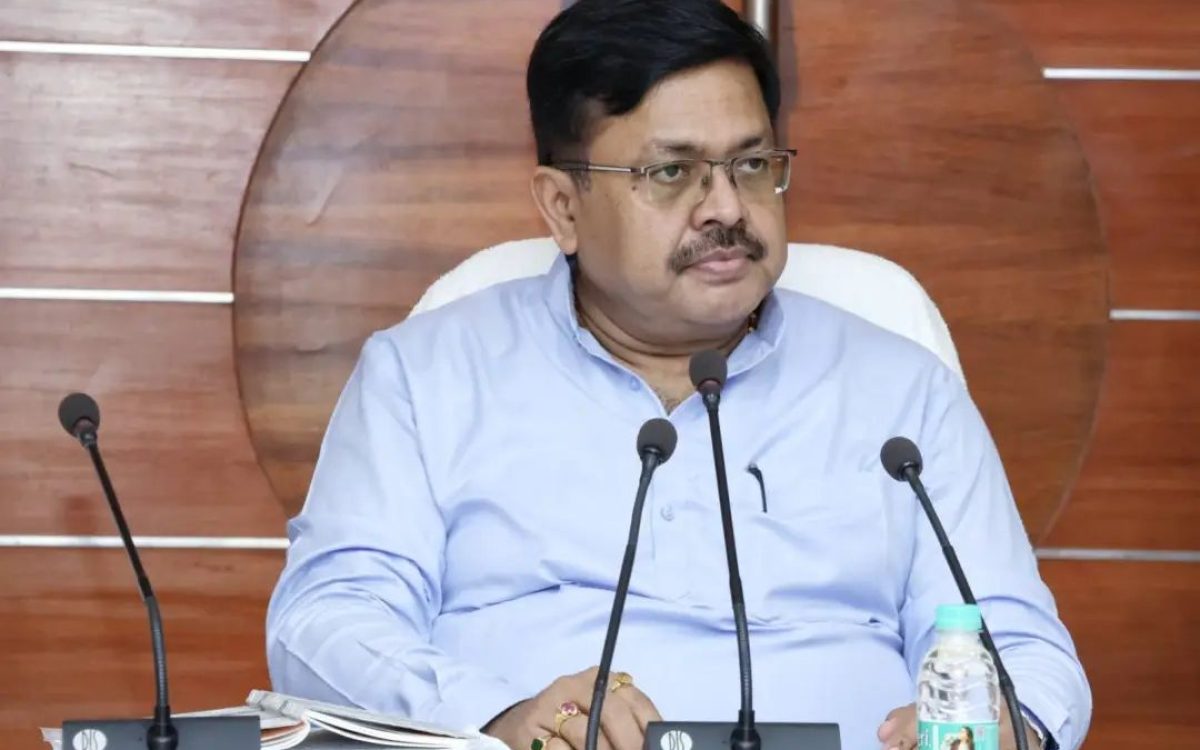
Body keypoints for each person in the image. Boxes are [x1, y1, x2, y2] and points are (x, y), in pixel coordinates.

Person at [265, 1, 1091, 749]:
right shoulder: (428, 374)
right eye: (671, 173)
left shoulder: (902, 390)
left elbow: (1020, 647)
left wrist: (1008, 723)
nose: (726, 208)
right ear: (562, 207)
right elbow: (327, 620)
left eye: (752, 165)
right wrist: (497, 715)